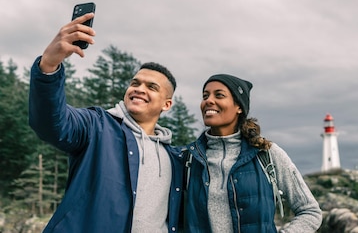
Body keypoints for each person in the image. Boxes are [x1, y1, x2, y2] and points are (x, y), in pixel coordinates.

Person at [29, 13, 183, 233]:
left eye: (151, 87)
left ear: (167, 105)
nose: (139, 89)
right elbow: (50, 123)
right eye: (135, 83)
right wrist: (49, 66)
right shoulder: (96, 126)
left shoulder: (175, 159)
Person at [184, 74, 322, 232]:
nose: (208, 100)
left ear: (239, 107)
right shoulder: (189, 159)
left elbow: (310, 211)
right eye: (205, 96)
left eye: (219, 95)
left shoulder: (267, 154)